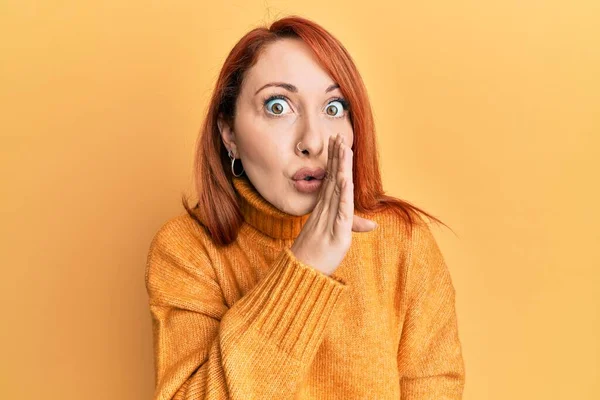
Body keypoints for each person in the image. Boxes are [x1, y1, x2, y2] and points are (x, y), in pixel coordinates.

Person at [145, 15, 465, 400]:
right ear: (229, 134)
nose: (312, 141)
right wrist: (306, 266)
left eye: (334, 107)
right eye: (278, 106)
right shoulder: (187, 250)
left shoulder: (403, 241)